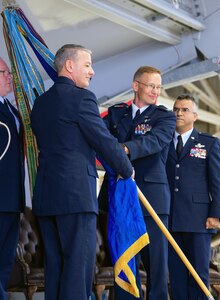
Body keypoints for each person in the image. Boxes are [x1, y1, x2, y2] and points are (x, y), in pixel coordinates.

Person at [30, 44, 133, 300]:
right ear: (69, 66)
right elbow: (103, 140)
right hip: (75, 197)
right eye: (87, 65)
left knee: (55, 269)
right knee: (78, 269)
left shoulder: (40, 104)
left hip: (46, 197)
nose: (92, 71)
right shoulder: (81, 98)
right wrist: (126, 169)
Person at [98, 66, 176, 299]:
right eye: (151, 86)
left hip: (152, 200)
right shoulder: (115, 114)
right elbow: (100, 140)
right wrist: (113, 151)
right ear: (136, 86)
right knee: (124, 262)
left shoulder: (164, 117)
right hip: (120, 199)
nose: (155, 91)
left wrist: (122, 150)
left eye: (158, 87)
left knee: (157, 266)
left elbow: (154, 142)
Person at [166, 94, 220, 300]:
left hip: (199, 219)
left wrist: (216, 213)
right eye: (176, 109)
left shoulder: (208, 143)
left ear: (196, 116)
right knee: (176, 275)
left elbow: (217, 180)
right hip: (171, 219)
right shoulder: (163, 141)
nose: (179, 113)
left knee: (199, 274)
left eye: (184, 110)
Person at [0, 57, 25, 300]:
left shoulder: (11, 108)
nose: (10, 76)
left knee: (5, 261)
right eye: (4, 72)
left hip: (12, 198)